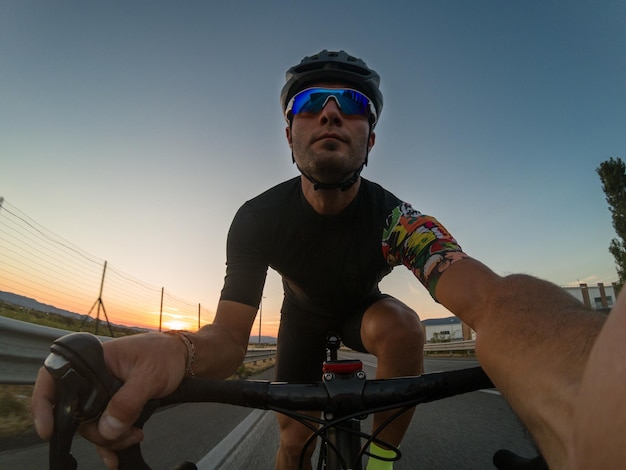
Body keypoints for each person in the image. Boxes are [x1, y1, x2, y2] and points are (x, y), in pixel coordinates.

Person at [31, 50, 622, 470]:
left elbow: (493, 301)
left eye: (354, 103)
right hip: (302, 321)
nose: (332, 112)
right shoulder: (258, 217)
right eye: (311, 102)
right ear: (290, 134)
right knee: (291, 444)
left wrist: (587, 389)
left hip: (363, 312)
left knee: (402, 325)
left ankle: (383, 459)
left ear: (370, 137)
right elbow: (229, 339)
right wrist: (176, 348)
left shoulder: (398, 219)